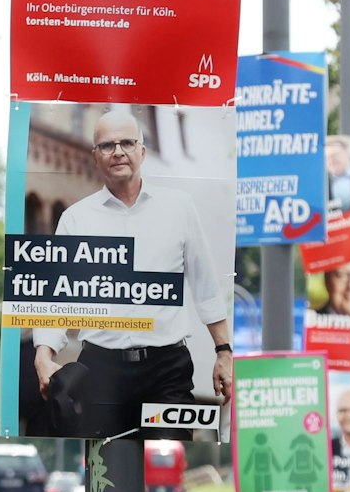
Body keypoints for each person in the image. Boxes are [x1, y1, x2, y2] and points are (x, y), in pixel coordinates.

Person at [31, 110, 234, 437]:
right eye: (107, 145)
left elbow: (206, 286)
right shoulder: (75, 219)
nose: (118, 152)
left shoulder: (179, 208)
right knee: (107, 463)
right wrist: (43, 355)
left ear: (142, 151)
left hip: (167, 372)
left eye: (127, 143)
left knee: (168, 452)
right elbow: (57, 299)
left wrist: (224, 352)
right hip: (100, 373)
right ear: (95, 156)